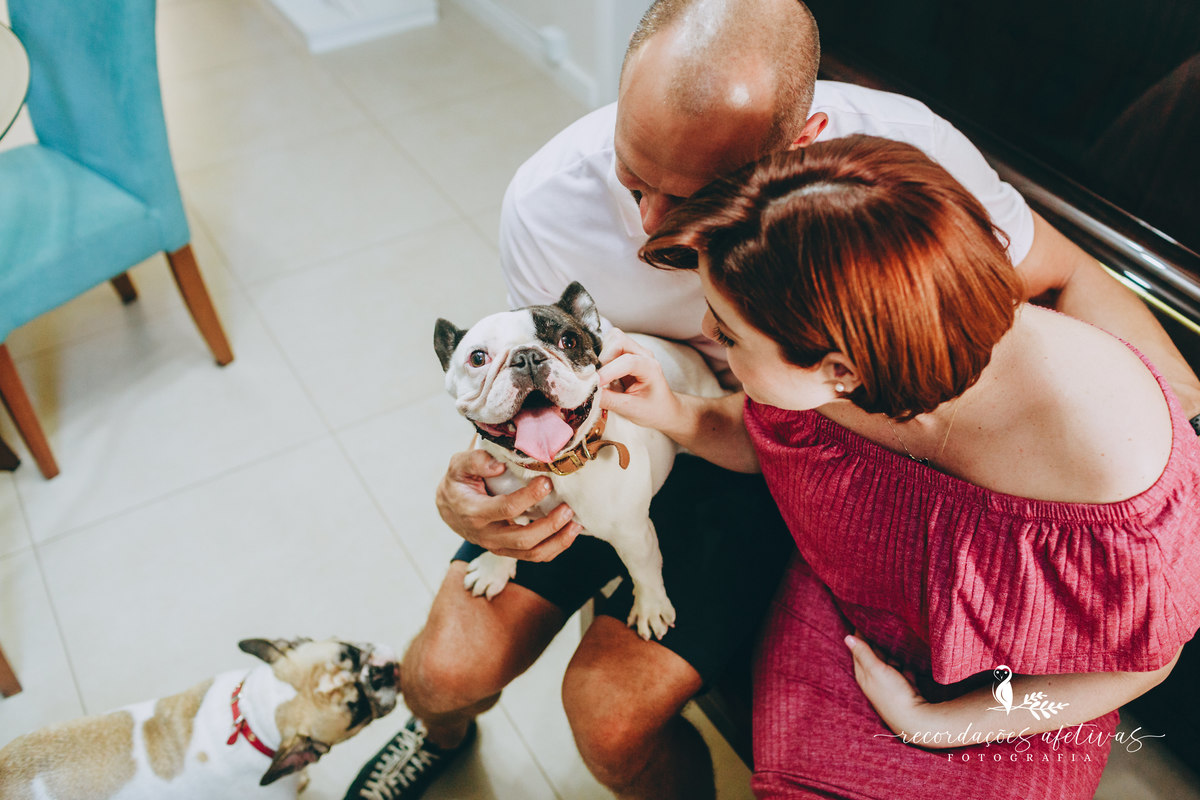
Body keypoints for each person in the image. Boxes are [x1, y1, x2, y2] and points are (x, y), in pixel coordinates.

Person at [343, 1, 1200, 798]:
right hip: (745, 492)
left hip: (961, 658)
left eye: (727, 334)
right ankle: (442, 727)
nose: (651, 230)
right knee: (443, 670)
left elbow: (1128, 664)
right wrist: (510, 476)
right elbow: (717, 422)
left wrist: (1181, 439)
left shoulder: (906, 204)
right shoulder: (794, 409)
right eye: (633, 177)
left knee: (608, 716)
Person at [601, 133, 1200, 799]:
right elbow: (768, 438)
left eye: (730, 333)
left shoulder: (1111, 467)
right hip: (845, 618)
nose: (709, 334)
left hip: (1020, 699)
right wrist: (676, 412)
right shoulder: (848, 352)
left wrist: (937, 726)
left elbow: (1138, 666)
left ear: (843, 372)